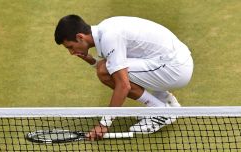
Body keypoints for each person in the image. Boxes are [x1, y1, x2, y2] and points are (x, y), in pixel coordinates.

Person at [54, 15, 193, 140]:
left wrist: (104, 124)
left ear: (80, 37)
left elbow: (123, 84)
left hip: (176, 69)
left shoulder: (110, 38)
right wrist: (91, 61)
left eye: (71, 47)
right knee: (107, 67)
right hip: (174, 60)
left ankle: (160, 111)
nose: (72, 52)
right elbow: (111, 66)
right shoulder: (106, 28)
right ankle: (167, 101)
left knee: (107, 71)